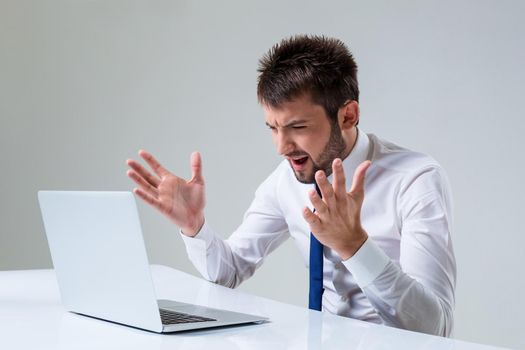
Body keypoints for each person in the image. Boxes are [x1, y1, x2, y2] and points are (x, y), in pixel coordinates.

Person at [126, 35, 456, 337]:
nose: (282, 147)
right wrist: (194, 226)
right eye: (273, 128)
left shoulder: (415, 180)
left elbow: (434, 327)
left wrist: (354, 245)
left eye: (297, 127)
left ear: (348, 116)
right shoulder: (286, 180)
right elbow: (229, 271)